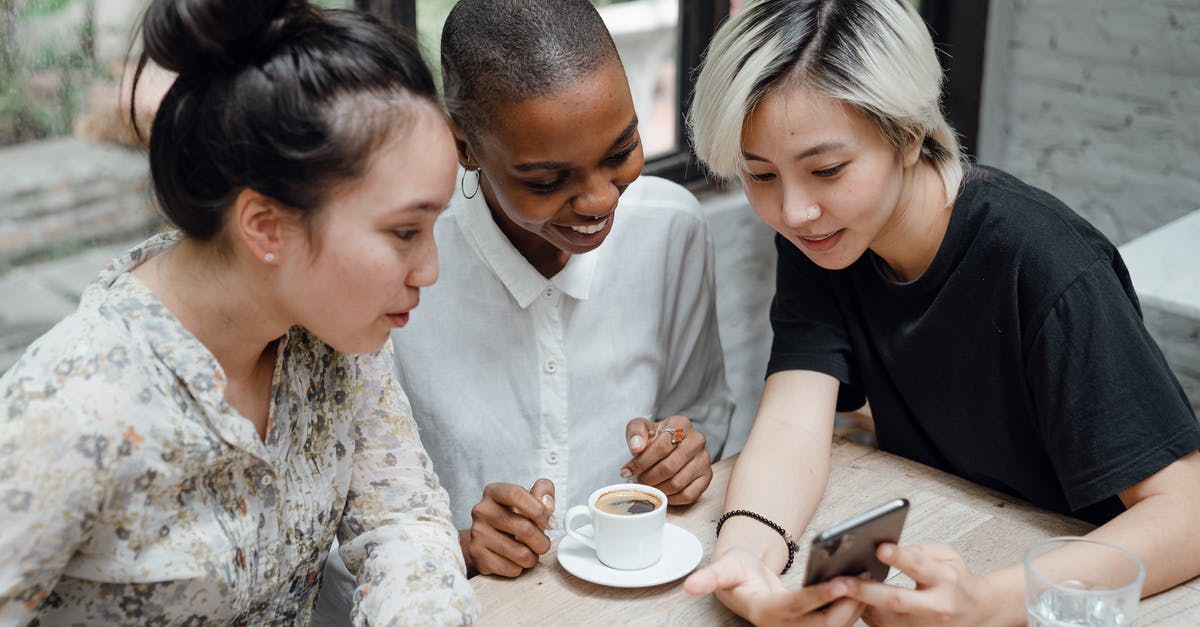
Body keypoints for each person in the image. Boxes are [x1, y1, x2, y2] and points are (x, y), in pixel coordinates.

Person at [680, 0, 1200, 625]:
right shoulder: (826, 241)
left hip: (1092, 591)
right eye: (760, 175)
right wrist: (745, 559)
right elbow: (793, 423)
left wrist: (990, 604)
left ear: (907, 135)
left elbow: (1187, 512)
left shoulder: (1047, 263)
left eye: (827, 169)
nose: (794, 211)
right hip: (961, 532)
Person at [0, 0, 478, 624]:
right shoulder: (74, 404)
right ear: (265, 225)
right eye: (405, 232)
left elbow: (403, 521)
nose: (429, 270)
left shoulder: (337, 338)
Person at [315, 0, 733, 613]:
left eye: (621, 150)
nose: (598, 200)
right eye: (546, 181)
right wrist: (457, 549)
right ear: (464, 146)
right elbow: (322, 532)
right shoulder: (401, 273)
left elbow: (703, 411)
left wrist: (683, 457)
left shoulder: (671, 229)